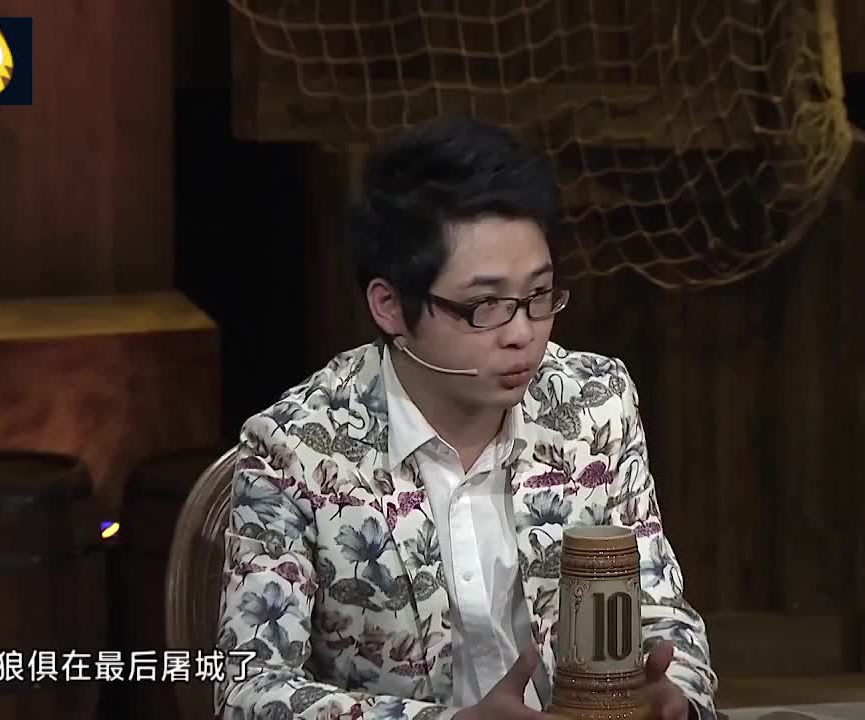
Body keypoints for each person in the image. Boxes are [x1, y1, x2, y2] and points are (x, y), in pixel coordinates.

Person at [215, 116, 717, 720]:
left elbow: (660, 612)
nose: (523, 333)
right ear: (390, 306)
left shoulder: (593, 404)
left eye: (539, 296)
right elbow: (249, 689)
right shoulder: (296, 448)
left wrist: (676, 696)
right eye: (485, 305)